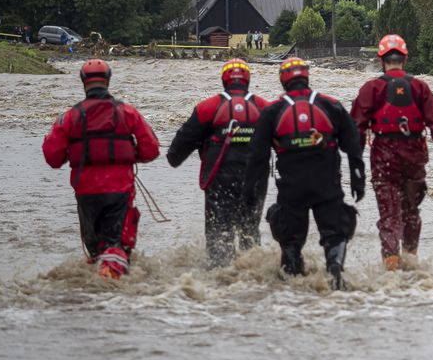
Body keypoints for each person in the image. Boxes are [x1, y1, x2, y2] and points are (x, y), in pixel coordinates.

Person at [243, 58, 364, 289]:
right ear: (307, 77)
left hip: (292, 189)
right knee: (336, 235)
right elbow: (353, 146)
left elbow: (257, 157)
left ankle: (293, 285)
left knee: (290, 239)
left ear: (283, 80)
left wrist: (250, 190)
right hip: (327, 185)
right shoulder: (331, 105)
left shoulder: (272, 111)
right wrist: (358, 179)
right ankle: (335, 270)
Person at [42, 59, 160, 279]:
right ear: (107, 80)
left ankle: (97, 285)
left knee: (96, 249)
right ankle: (112, 285)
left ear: (83, 82)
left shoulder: (68, 117)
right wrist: (128, 155)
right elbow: (151, 149)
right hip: (119, 190)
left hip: (86, 193)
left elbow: (52, 157)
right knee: (116, 245)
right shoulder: (128, 112)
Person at [351, 34, 433, 272]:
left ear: (382, 60)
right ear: (404, 59)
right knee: (411, 212)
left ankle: (391, 270)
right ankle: (411, 262)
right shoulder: (420, 87)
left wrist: (355, 164)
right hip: (414, 157)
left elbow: (356, 127)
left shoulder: (372, 88)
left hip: (384, 157)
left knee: (389, 214)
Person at [167, 59, 270, 267]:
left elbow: (175, 154)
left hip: (218, 182)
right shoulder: (265, 108)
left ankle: (220, 277)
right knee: (249, 230)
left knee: (218, 232)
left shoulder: (208, 108)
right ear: (247, 80)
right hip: (255, 181)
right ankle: (253, 275)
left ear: (224, 80)